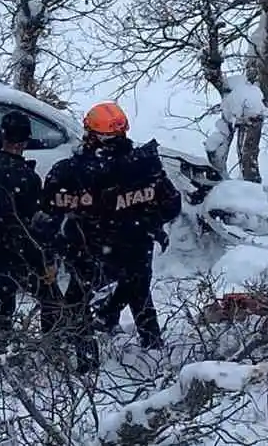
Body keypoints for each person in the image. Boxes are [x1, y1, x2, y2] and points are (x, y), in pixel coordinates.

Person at [39, 101, 182, 357]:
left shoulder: (70, 171)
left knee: (77, 300)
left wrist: (52, 250)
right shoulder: (145, 166)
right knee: (138, 289)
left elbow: (47, 213)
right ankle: (151, 345)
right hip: (135, 247)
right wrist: (146, 224)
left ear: (91, 134)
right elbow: (171, 205)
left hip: (88, 250)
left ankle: (86, 357)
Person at [0, 110, 58, 337]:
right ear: (26, 140)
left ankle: (1, 345)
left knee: (4, 302)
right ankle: (54, 346)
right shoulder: (26, 178)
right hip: (19, 252)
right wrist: (46, 260)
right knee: (51, 299)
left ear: (2, 135)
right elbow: (34, 225)